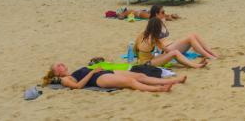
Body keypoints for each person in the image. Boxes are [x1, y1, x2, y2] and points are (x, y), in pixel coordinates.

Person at [41, 62, 185, 92]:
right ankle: (160, 89)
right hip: (98, 79)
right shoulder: (65, 79)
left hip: (104, 73)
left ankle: (174, 80)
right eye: (57, 66)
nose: (61, 64)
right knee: (130, 81)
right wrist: (92, 72)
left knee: (140, 75)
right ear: (57, 73)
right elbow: (78, 86)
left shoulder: (72, 72)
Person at [135, 18, 209, 68]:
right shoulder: (152, 39)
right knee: (175, 53)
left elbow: (135, 48)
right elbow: (166, 49)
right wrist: (173, 54)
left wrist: (139, 59)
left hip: (145, 60)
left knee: (174, 53)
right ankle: (195, 65)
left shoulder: (142, 35)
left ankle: (193, 64)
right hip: (147, 63)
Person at [116, 6, 180, 21]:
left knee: (152, 17)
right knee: (156, 14)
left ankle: (168, 17)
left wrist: (118, 16)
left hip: (139, 14)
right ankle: (170, 15)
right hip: (143, 11)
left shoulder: (125, 12)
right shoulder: (129, 10)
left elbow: (121, 17)